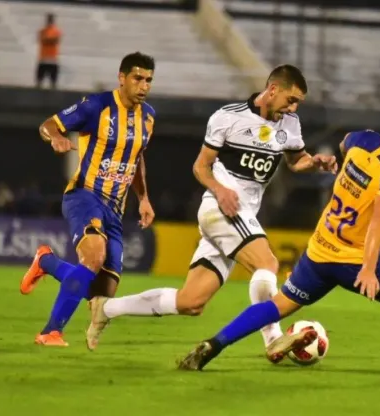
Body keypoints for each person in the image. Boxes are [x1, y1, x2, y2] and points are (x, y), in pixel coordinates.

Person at [176, 98, 380, 370]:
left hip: (319, 250)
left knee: (279, 306)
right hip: (354, 259)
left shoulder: (365, 140)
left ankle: (214, 344)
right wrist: (369, 269)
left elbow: (345, 142)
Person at [84, 65, 338, 353]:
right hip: (220, 209)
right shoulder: (228, 117)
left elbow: (295, 160)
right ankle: (273, 340)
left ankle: (106, 308)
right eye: (290, 100)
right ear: (273, 90)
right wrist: (220, 189)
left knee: (190, 302)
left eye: (298, 103)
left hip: (241, 218)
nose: (293, 107)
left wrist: (315, 161)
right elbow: (200, 166)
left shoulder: (289, 123)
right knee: (267, 264)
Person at [19, 52, 158, 346]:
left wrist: (144, 198)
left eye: (148, 80)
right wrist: (55, 138)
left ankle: (46, 261)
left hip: (115, 210)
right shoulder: (97, 106)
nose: (143, 85)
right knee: (93, 254)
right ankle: (50, 332)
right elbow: (49, 124)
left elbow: (136, 159)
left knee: (101, 292)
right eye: (137, 78)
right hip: (84, 194)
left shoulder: (148, 117)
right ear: (122, 78)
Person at [36, 13, 61, 89]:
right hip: (43, 59)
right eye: (49, 19)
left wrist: (48, 39)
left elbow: (56, 40)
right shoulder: (42, 31)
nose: (49, 21)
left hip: (53, 59)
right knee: (39, 81)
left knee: (53, 82)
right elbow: (44, 40)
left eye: (51, 19)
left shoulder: (56, 31)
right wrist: (50, 40)